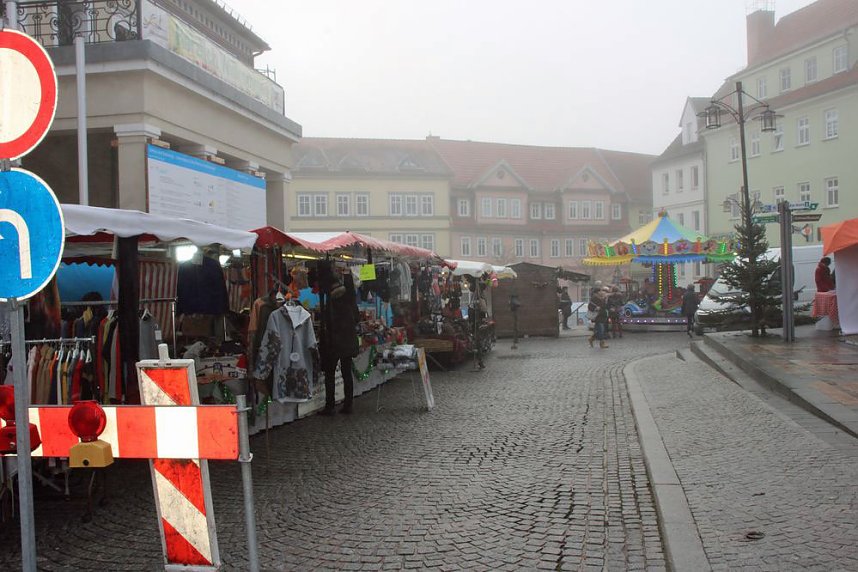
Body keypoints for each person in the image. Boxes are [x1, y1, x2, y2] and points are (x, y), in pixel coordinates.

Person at [320, 269, 361, 415]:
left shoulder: (332, 304)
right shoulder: (350, 302)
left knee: (330, 375)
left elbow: (329, 324)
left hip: (334, 343)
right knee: (346, 374)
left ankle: (330, 405)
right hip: (347, 342)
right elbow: (357, 319)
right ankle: (348, 404)